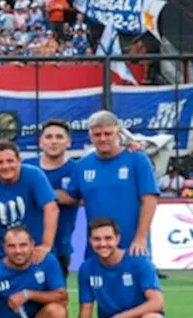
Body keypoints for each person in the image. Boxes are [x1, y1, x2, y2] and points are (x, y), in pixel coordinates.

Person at [62, 110, 159, 258]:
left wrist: (140, 238)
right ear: (90, 137)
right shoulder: (82, 165)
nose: (103, 139)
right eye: (97, 135)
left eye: (108, 134)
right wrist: (42, 192)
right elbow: (71, 197)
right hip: (98, 249)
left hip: (133, 247)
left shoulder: (137, 160)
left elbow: (149, 200)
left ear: (118, 134)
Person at [0, 141, 58, 273]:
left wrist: (46, 245)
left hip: (35, 249)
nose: (6, 166)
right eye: (0, 162)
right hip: (5, 252)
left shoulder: (34, 175)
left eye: (10, 161)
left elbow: (51, 208)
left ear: (19, 161)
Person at [37, 119, 79, 276]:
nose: (53, 141)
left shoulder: (76, 169)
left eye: (59, 137)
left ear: (68, 142)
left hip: (61, 245)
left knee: (56, 297)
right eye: (48, 137)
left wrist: (38, 192)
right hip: (24, 246)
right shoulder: (25, 167)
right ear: (40, 141)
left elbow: (73, 198)